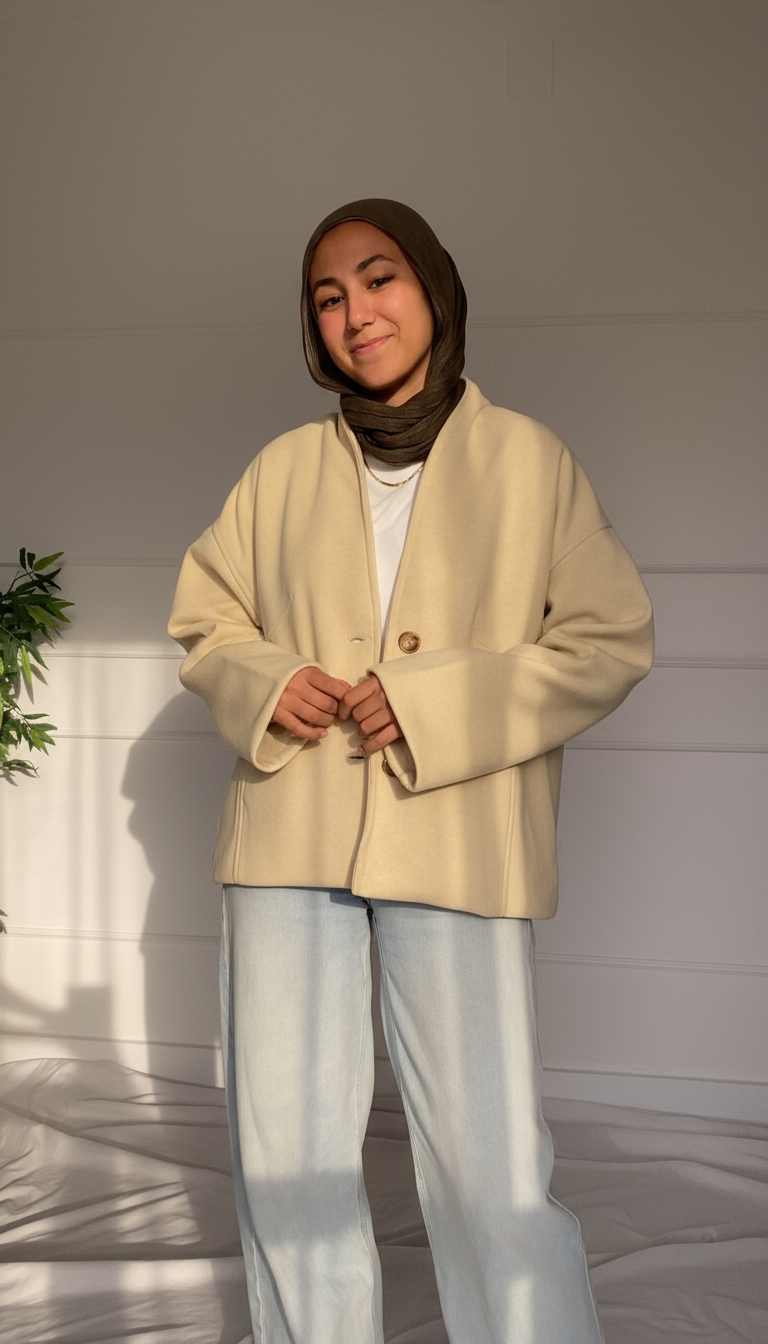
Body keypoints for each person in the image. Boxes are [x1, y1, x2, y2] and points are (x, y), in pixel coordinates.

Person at [168, 198, 653, 1344]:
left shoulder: (530, 461)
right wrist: (267, 681)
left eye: (378, 279)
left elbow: (609, 640)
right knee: (285, 1153)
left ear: (433, 286)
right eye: (327, 297)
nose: (356, 313)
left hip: (459, 835)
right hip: (289, 833)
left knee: (491, 1165)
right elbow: (207, 620)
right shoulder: (280, 471)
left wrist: (437, 705)